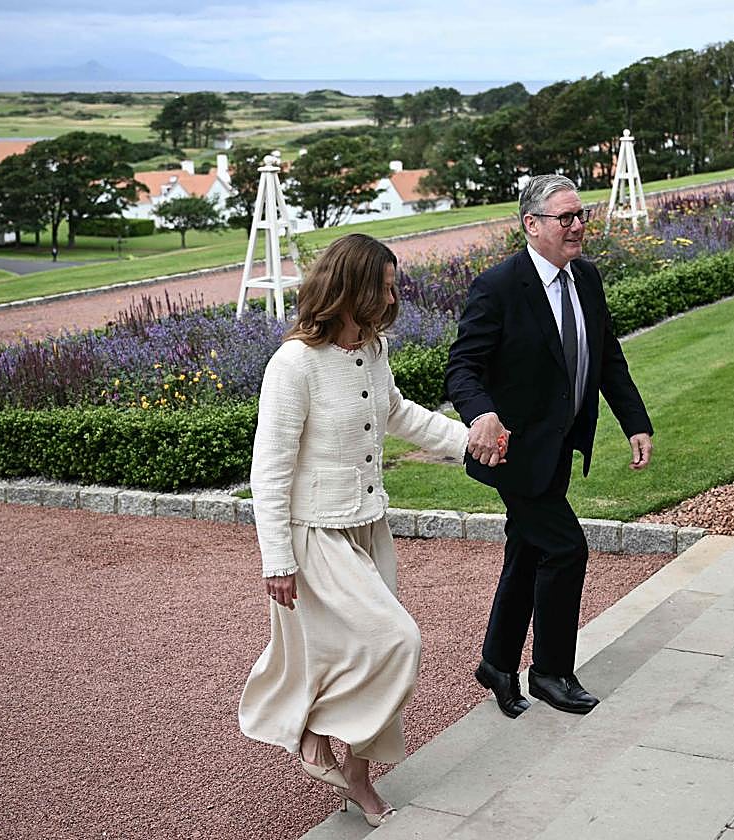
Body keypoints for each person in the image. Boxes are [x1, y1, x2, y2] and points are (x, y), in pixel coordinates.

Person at [239, 233, 473, 825]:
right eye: (385, 286)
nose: (394, 298)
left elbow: (396, 412)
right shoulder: (294, 364)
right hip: (314, 533)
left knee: (372, 652)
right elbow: (269, 468)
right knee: (397, 640)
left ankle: (360, 779)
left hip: (369, 525)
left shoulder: (373, 348)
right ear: (351, 288)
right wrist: (277, 560)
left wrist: (467, 441)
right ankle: (314, 724)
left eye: (395, 286)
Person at [445, 174, 654, 719]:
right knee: (565, 548)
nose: (578, 226)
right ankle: (550, 672)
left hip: (560, 449)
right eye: (566, 218)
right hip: (512, 454)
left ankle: (496, 662)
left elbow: (607, 356)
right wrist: (481, 414)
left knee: (529, 550)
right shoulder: (497, 286)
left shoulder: (585, 277)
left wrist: (635, 421)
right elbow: (462, 368)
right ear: (531, 224)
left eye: (580, 215)